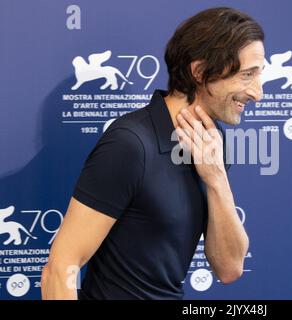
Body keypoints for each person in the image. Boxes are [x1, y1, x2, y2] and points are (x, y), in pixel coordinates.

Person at [41, 7, 265, 300]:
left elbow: (229, 268)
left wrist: (216, 178)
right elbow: (61, 266)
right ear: (198, 72)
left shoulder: (212, 141)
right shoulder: (130, 144)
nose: (258, 93)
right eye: (247, 75)